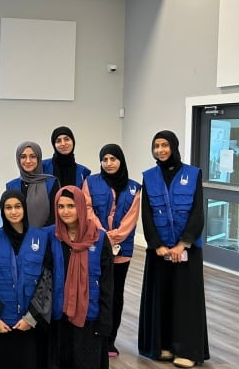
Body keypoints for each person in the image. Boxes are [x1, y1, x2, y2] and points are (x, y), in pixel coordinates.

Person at [138, 130, 209, 368]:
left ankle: (186, 349)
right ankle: (163, 346)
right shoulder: (149, 177)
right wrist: (156, 245)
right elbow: (146, 215)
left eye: (165, 145)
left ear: (174, 147)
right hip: (159, 252)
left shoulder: (193, 174)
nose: (160, 150)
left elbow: (198, 213)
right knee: (162, 298)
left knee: (185, 300)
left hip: (186, 250)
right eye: (156, 145)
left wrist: (183, 243)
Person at [0, 190, 52, 368]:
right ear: (2, 211)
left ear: (25, 209)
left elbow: (46, 280)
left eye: (18, 206)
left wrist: (31, 318)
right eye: (8, 207)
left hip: (29, 323)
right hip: (1, 321)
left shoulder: (41, 238)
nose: (13, 211)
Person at [82, 143, 141, 358]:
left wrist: (113, 236)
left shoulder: (134, 187)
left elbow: (131, 219)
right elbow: (87, 210)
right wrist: (103, 235)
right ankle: (95, 334)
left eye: (113, 159)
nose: (108, 163)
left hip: (121, 250)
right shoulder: (90, 183)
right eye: (104, 159)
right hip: (96, 247)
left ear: (121, 160)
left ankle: (110, 340)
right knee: (97, 291)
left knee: (116, 294)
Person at [49, 186, 113, 369]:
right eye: (60, 206)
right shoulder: (52, 236)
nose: (65, 211)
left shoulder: (99, 238)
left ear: (81, 207)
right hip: (60, 317)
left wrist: (105, 322)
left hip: (89, 317)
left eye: (71, 206)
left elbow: (107, 284)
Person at [6, 141, 60, 227]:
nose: (28, 161)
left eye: (33, 156)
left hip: (46, 235)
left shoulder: (51, 182)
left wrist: (38, 235)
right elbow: (10, 216)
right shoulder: (11, 186)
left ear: (39, 158)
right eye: (23, 157)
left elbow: (55, 216)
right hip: (20, 237)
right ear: (18, 159)